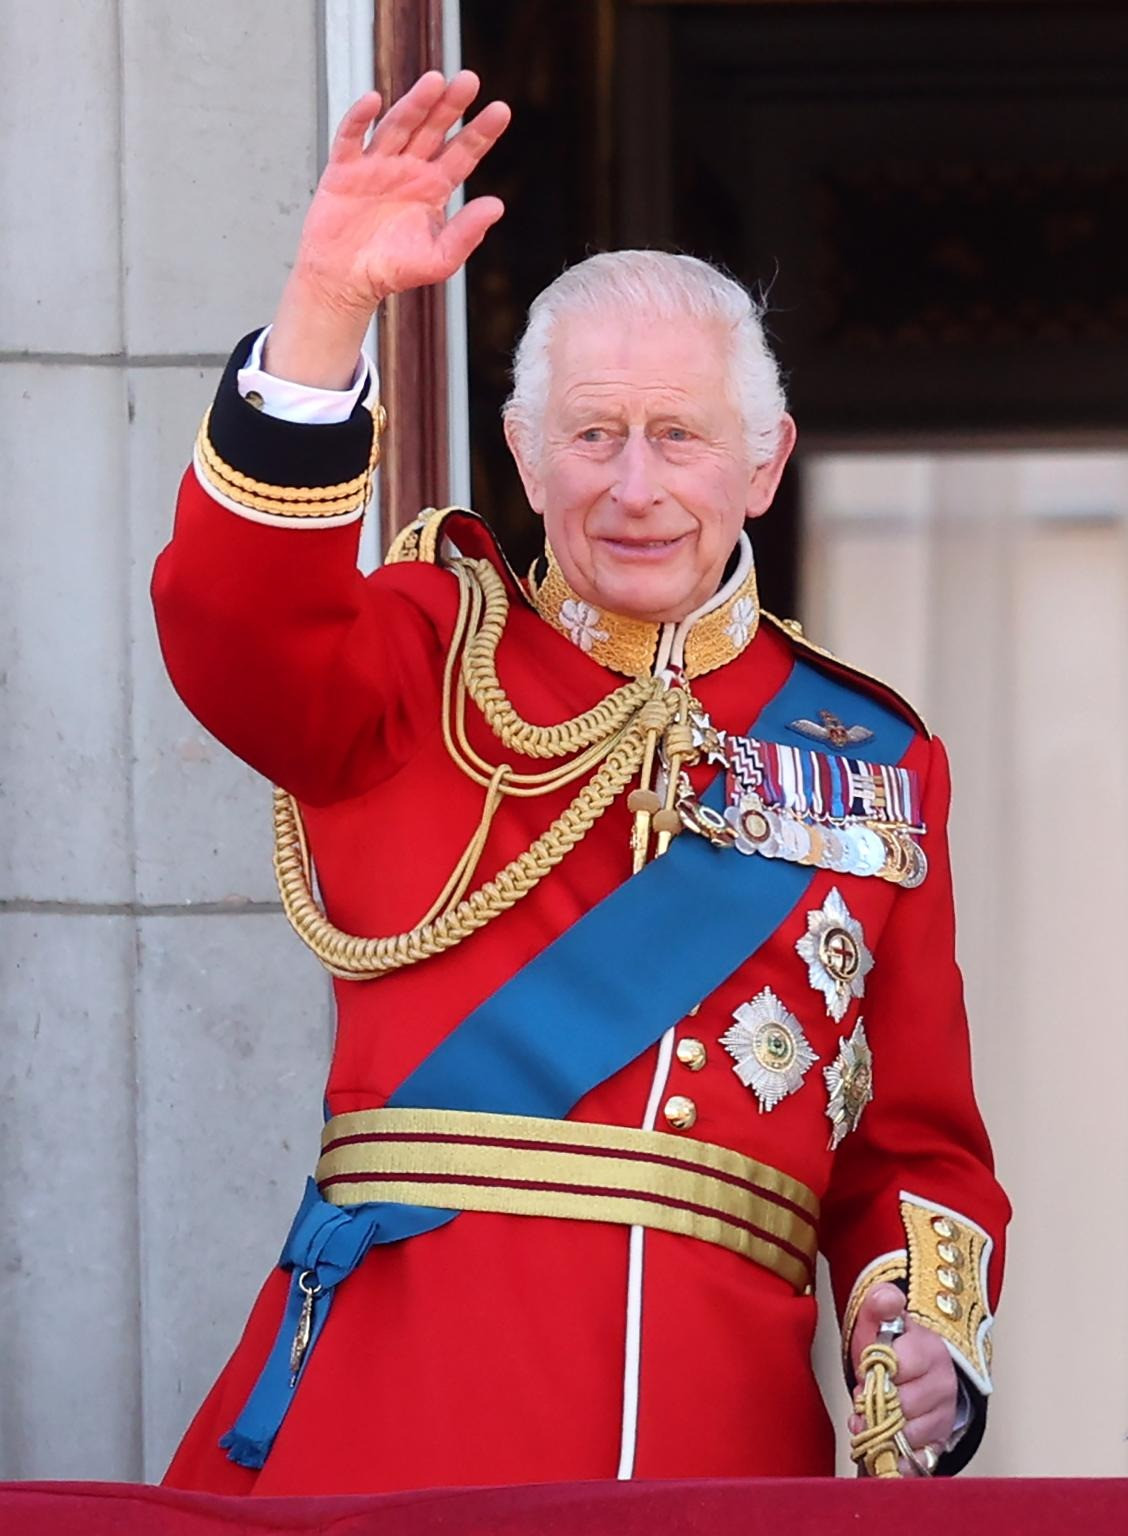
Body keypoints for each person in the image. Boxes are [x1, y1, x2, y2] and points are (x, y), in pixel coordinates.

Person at [153, 72, 1009, 1497]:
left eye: (677, 436)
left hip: (718, 1454)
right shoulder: (428, 657)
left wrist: (917, 1330)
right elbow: (237, 626)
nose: (634, 486)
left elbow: (912, 1144)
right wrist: (322, 308)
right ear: (525, 454)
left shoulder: (872, 766)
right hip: (395, 1428)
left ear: (763, 461)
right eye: (593, 435)